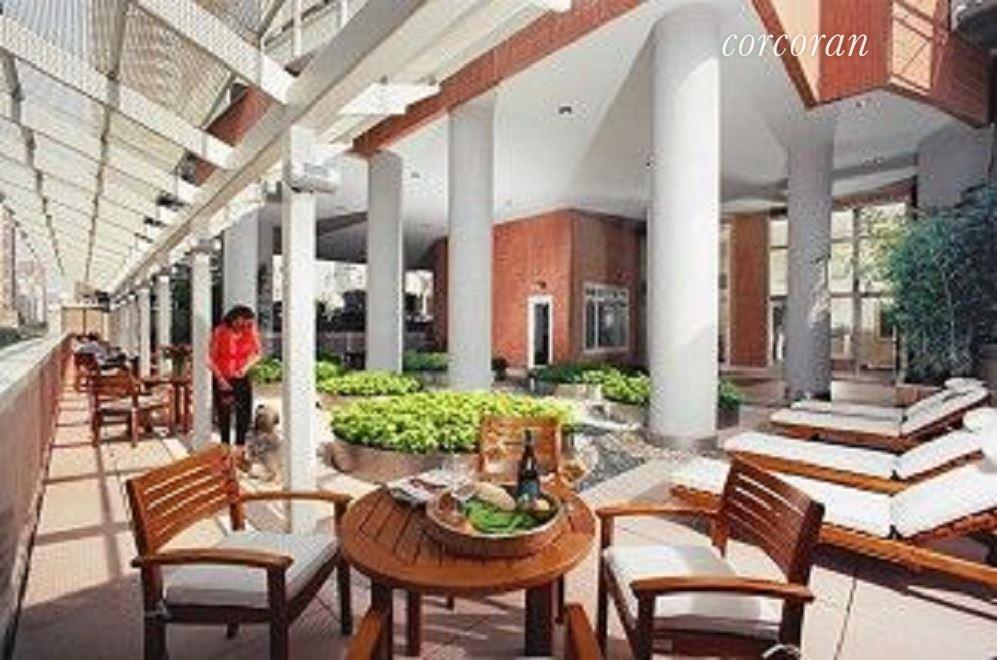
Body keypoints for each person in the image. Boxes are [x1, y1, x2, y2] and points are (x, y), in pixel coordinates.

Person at [209, 305, 262, 463]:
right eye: (242, 321)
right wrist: (220, 379)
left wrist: (245, 368)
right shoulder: (220, 331)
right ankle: (224, 449)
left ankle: (240, 450)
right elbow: (210, 358)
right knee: (224, 413)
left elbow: (258, 353)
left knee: (243, 413)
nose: (245, 325)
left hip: (241, 377)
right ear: (234, 318)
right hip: (222, 378)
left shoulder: (250, 330)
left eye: (248, 322)